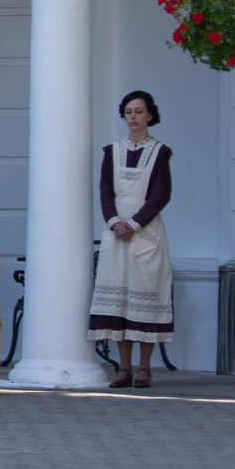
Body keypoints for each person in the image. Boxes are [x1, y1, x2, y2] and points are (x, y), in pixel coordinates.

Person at [90, 89, 173, 388]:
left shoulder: (160, 152)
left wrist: (134, 224)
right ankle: (123, 368)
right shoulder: (112, 151)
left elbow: (161, 195)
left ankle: (144, 367)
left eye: (139, 111)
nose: (133, 117)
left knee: (145, 294)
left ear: (150, 115)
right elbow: (104, 191)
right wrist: (114, 222)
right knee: (120, 298)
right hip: (116, 231)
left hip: (145, 231)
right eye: (128, 111)